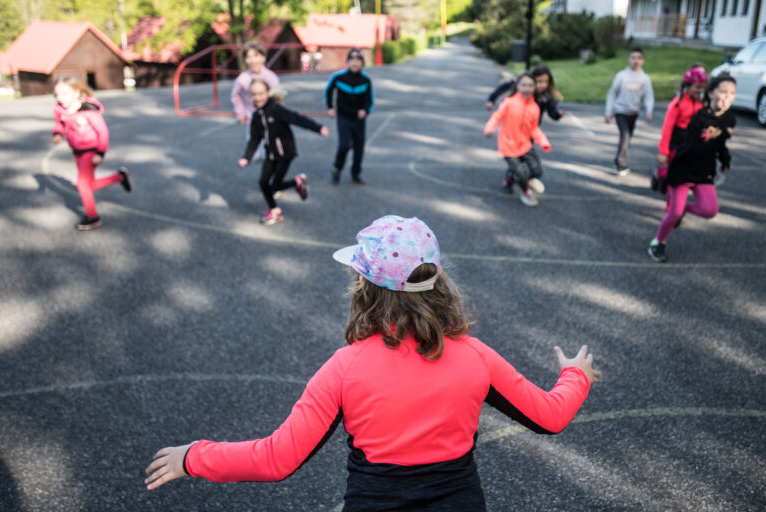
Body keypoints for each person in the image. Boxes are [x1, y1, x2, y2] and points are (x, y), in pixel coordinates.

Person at [145, 215, 600, 511]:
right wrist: (575, 374)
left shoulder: (345, 368)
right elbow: (551, 416)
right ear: (438, 280)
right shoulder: (475, 357)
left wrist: (194, 457)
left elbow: (276, 458)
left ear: (363, 288)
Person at [648, 74, 737, 262]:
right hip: (683, 169)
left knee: (710, 210)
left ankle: (681, 208)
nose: (727, 97)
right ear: (711, 93)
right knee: (674, 214)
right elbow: (696, 148)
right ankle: (657, 243)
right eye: (723, 91)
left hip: (703, 171)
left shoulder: (729, 118)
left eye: (732, 93)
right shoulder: (700, 118)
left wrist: (725, 159)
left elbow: (720, 146)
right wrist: (721, 137)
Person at [239, 79, 329, 225]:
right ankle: (274, 210)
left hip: (285, 154)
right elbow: (254, 139)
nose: (258, 97)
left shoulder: (276, 109)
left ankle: (296, 182)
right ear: (250, 96)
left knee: (275, 186)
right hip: (270, 154)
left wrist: (318, 128)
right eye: (254, 94)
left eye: (261, 93)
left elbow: (297, 119)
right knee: (263, 182)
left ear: (267, 93)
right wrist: (246, 157)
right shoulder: (256, 115)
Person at [52, 75, 132, 231]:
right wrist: (57, 133)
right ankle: (120, 177)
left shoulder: (89, 111)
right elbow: (59, 123)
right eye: (57, 94)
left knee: (82, 184)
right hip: (77, 151)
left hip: (91, 151)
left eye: (64, 93)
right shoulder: (60, 108)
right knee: (90, 185)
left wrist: (100, 154)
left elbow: (103, 132)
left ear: (77, 92)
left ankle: (92, 216)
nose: (60, 98)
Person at [484, 73, 552, 206]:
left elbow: (534, 129)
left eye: (530, 85)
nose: (527, 88)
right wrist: (489, 128)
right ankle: (526, 192)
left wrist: (543, 142)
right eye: (524, 85)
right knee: (521, 172)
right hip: (508, 146)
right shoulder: (509, 102)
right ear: (518, 86)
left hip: (525, 145)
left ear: (534, 87)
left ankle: (529, 179)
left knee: (538, 170)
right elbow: (497, 116)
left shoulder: (535, 107)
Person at [653, 65, 708, 200]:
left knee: (684, 174)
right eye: (697, 87)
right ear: (687, 87)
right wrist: (663, 151)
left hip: (692, 143)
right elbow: (667, 128)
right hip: (677, 141)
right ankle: (670, 205)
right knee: (673, 175)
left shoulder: (702, 104)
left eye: (702, 87)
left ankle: (675, 198)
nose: (700, 90)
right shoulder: (677, 104)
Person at [325, 48, 374, 185]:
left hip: (359, 120)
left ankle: (356, 173)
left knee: (359, 147)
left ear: (362, 63)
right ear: (347, 62)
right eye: (352, 60)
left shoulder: (366, 80)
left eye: (358, 60)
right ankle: (337, 168)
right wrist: (330, 107)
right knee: (344, 145)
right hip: (343, 117)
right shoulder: (338, 77)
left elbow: (370, 99)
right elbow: (328, 91)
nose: (355, 63)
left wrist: (365, 110)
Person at [604, 48, 654, 176]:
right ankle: (621, 164)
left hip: (633, 112)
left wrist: (649, 110)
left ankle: (619, 158)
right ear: (629, 59)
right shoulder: (622, 76)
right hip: (620, 111)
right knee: (625, 136)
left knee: (627, 138)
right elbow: (612, 94)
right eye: (633, 57)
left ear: (642, 60)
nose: (635, 61)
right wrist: (608, 112)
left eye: (638, 58)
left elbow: (648, 96)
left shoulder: (645, 79)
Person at [231, 42, 281, 160]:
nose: (253, 60)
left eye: (256, 55)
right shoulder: (242, 79)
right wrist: (240, 113)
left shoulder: (271, 77)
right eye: (249, 57)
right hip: (252, 119)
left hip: (269, 119)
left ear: (263, 57)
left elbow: (277, 97)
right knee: (254, 155)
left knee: (270, 153)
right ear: (245, 60)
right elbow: (235, 96)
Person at [485, 65, 564, 125]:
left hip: (531, 128)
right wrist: (491, 100)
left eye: (545, 82)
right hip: (515, 124)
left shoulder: (546, 96)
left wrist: (557, 114)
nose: (542, 85)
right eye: (539, 81)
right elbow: (504, 87)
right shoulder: (524, 87)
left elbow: (551, 111)